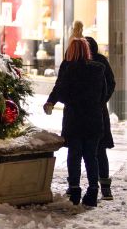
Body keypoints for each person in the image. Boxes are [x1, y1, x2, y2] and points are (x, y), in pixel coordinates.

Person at [44, 37, 107, 207]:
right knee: (91, 157)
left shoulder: (70, 69)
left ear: (71, 51)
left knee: (74, 156)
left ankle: (75, 190)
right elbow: (103, 94)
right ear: (87, 50)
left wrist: (53, 102)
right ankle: (93, 191)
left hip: (75, 120)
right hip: (94, 119)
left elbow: (61, 90)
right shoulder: (99, 69)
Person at [86, 36, 116, 200]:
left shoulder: (100, 61)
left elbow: (111, 83)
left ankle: (104, 187)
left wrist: (102, 99)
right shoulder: (78, 61)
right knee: (93, 150)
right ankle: (100, 187)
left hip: (98, 112)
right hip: (92, 111)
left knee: (99, 149)